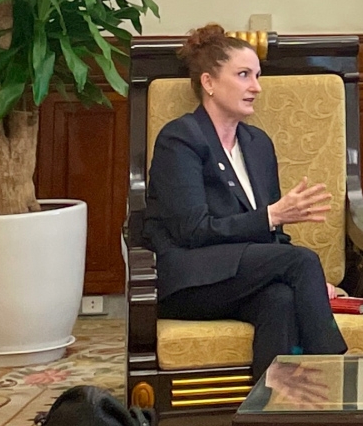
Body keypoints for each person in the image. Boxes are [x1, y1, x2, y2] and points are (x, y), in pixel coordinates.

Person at [142, 24, 348, 379]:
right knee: (302, 262)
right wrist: (272, 218)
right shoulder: (180, 139)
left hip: (240, 275)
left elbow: (272, 235)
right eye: (243, 75)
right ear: (208, 82)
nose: (256, 86)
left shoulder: (258, 144)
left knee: (281, 299)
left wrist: (310, 282)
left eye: (257, 75)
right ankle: (340, 377)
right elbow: (192, 229)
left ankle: (270, 419)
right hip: (190, 279)